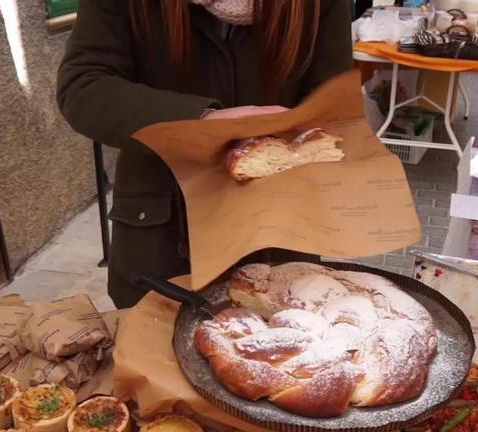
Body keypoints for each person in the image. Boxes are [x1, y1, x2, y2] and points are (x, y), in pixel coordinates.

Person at [57, 0, 352, 309]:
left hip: (279, 231)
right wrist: (200, 121)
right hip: (163, 234)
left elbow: (329, 101)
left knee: (282, 344)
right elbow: (83, 86)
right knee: (151, 345)